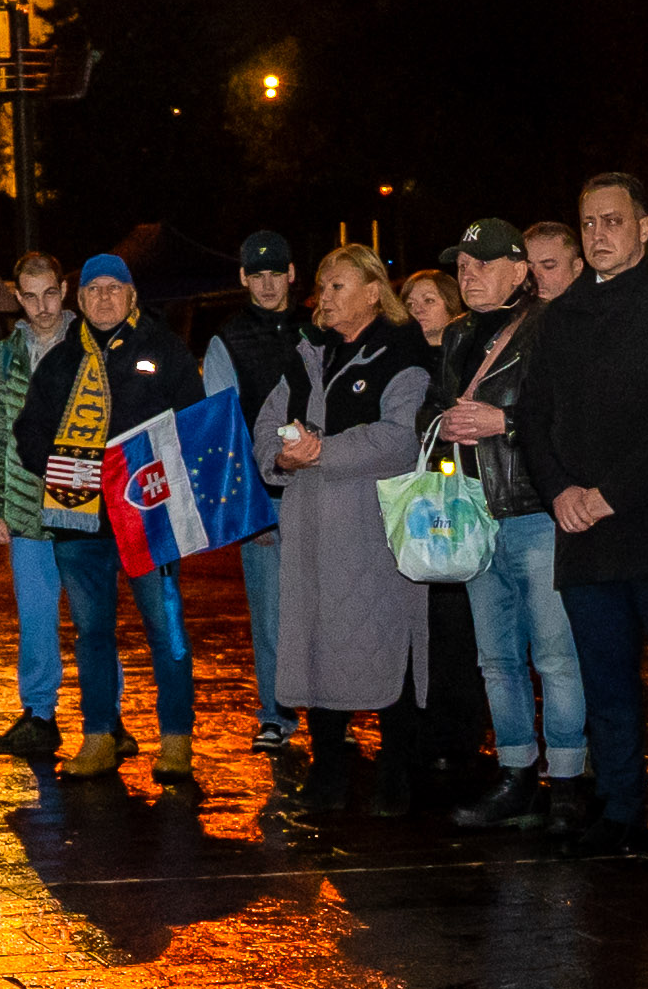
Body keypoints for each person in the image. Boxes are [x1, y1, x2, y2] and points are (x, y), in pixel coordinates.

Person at [527, 174, 648, 857]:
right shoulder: (555, 318)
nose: (599, 235)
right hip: (582, 534)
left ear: (643, 226)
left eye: (612, 221)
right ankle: (619, 807)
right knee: (604, 682)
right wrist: (559, 492)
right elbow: (533, 418)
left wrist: (612, 492)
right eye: (589, 224)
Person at [262, 247, 443, 822]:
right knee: (316, 643)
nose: (325, 296)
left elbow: (402, 436)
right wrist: (281, 460)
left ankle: (396, 773)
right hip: (311, 529)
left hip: (373, 527)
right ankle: (328, 770)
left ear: (373, 291)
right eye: (322, 285)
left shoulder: (402, 352)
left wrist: (322, 453)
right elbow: (267, 424)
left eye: (338, 285)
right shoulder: (305, 352)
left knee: (380, 641)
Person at [15, 250, 200, 789]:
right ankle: (97, 735)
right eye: (93, 289)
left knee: (166, 632)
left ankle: (176, 740)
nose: (103, 298)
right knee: (92, 632)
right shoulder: (61, 361)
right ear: (79, 297)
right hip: (80, 524)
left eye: (113, 288)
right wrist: (62, 465)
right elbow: (28, 433)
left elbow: (193, 424)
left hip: (149, 519)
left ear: (132, 295)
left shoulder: (163, 350)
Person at [427, 216, 581, 832]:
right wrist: (438, 426)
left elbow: (570, 417)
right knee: (496, 658)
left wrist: (504, 423)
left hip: (534, 513)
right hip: (474, 515)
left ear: (520, 271)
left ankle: (567, 781)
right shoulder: (458, 335)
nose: (468, 275)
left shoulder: (552, 327)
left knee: (555, 654)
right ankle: (518, 773)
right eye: (461, 266)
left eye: (483, 264)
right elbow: (430, 411)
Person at [203, 231, 308, 755]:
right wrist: (248, 509)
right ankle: (276, 713)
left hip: (324, 490)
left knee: (332, 606)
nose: (267, 284)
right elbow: (223, 429)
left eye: (276, 272)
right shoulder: (227, 339)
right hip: (266, 498)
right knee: (271, 613)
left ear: (292, 273)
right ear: (243, 278)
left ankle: (335, 707)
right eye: (257, 274)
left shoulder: (321, 325)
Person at [0, 251, 74, 760]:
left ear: (65, 287)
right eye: (31, 296)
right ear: (17, 297)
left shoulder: (88, 347)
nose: (42, 307)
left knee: (92, 617)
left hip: (81, 509)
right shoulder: (4, 358)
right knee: (36, 619)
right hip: (23, 508)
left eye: (50, 293)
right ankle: (40, 714)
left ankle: (109, 716)